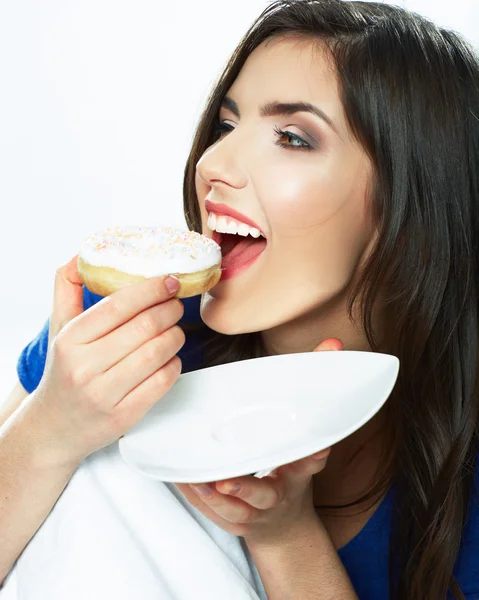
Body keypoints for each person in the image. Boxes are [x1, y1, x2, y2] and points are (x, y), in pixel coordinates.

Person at [1, 0, 478, 598]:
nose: (213, 163)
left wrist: (283, 534)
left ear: (414, 210)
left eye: (293, 137)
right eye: (227, 127)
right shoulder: (119, 336)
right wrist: (53, 425)